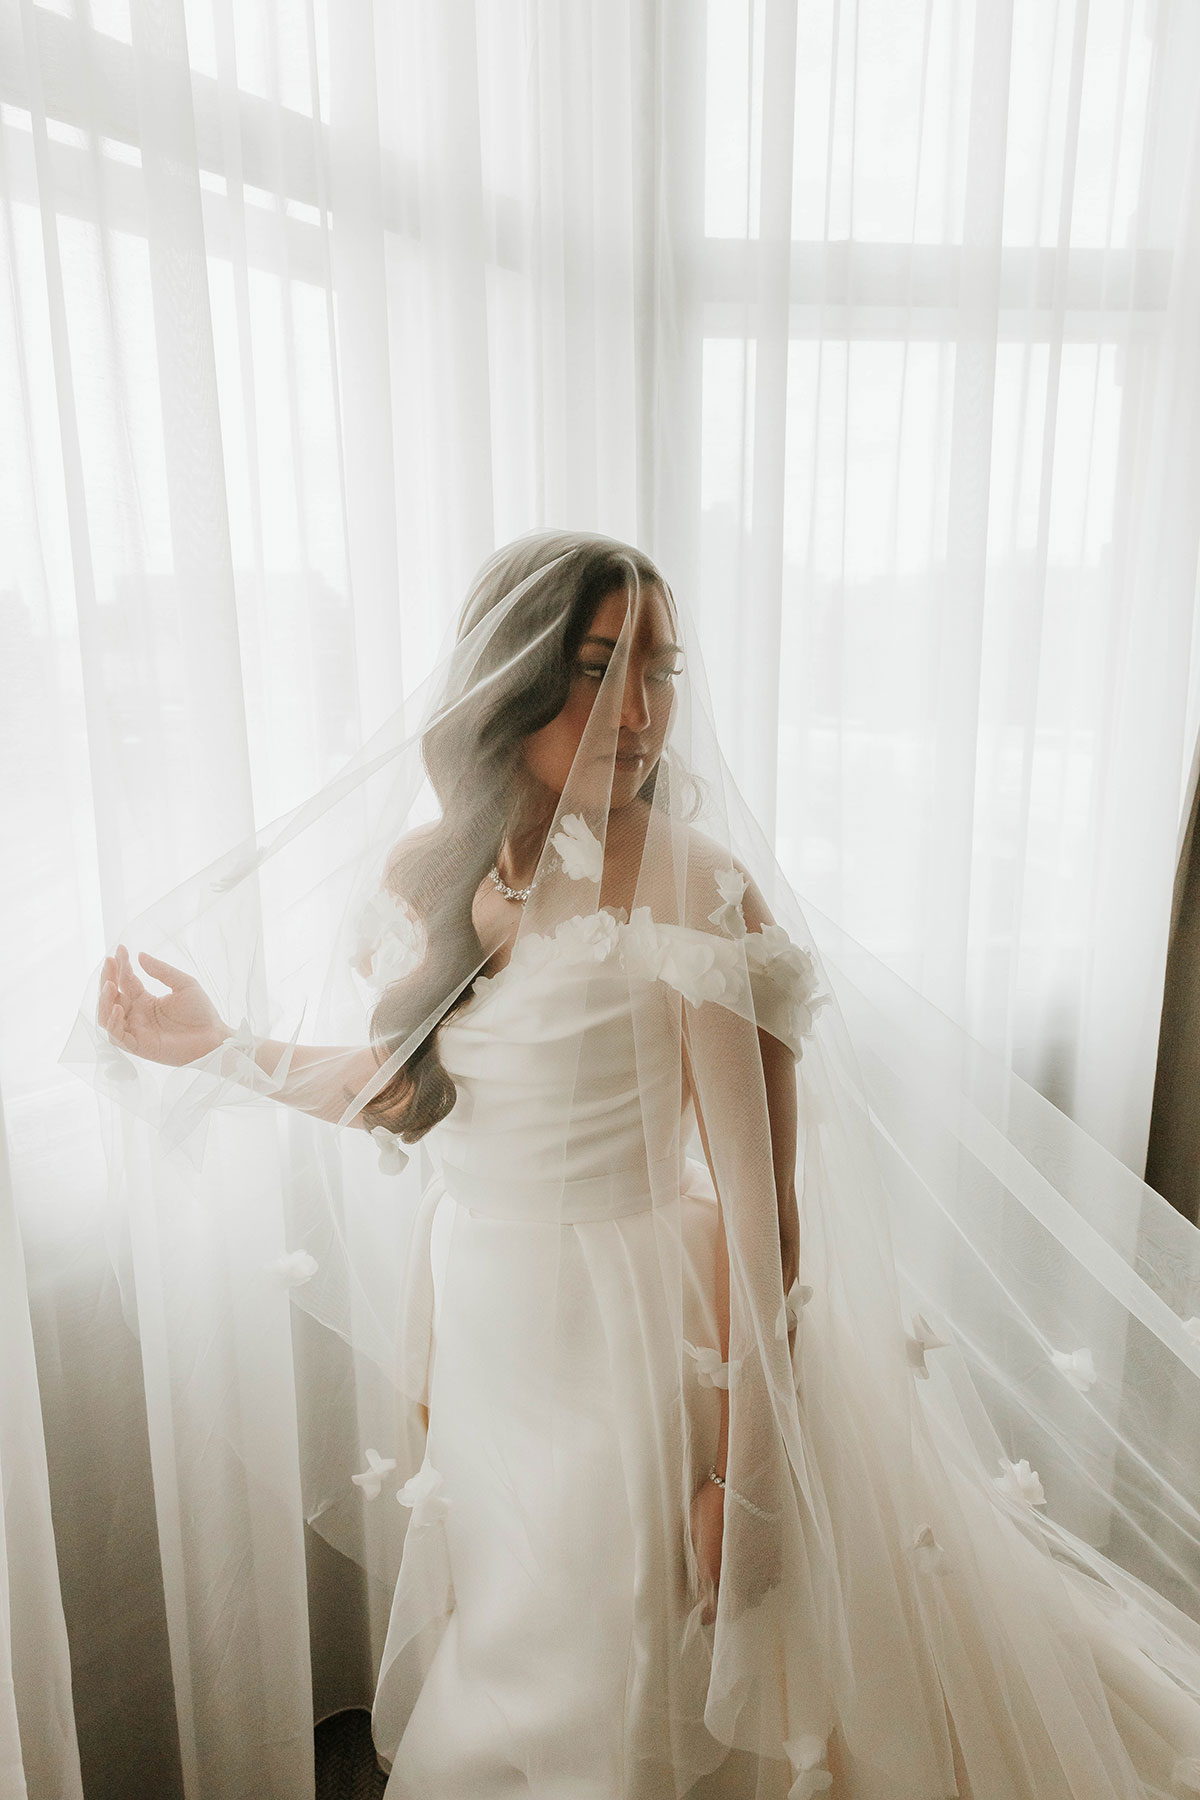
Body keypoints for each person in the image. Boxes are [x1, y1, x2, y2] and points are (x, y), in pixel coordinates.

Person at [87, 531, 1200, 1798]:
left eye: (661, 673)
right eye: (600, 668)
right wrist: (219, 1048)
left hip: (635, 1338)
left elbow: (765, 1206)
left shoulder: (697, 891)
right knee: (512, 1630)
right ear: (505, 682)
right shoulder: (426, 871)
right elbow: (410, 1094)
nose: (642, 712)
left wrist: (745, 1479)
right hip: (485, 1327)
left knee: (614, 1664)